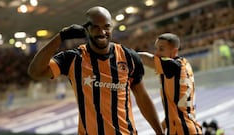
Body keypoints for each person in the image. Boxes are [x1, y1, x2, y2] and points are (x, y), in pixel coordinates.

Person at [28, 6, 163, 135]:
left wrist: (159, 132)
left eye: (106, 27)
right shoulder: (73, 59)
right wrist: (60, 37)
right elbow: (35, 72)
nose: (102, 32)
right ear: (86, 29)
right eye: (95, 27)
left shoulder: (129, 57)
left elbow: (142, 98)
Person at [138, 33, 202, 135]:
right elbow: (176, 110)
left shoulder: (173, 66)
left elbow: (144, 58)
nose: (157, 53)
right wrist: (162, 128)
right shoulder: (184, 64)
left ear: (174, 51)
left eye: (161, 49)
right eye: (156, 49)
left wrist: (123, 54)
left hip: (182, 131)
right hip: (189, 128)